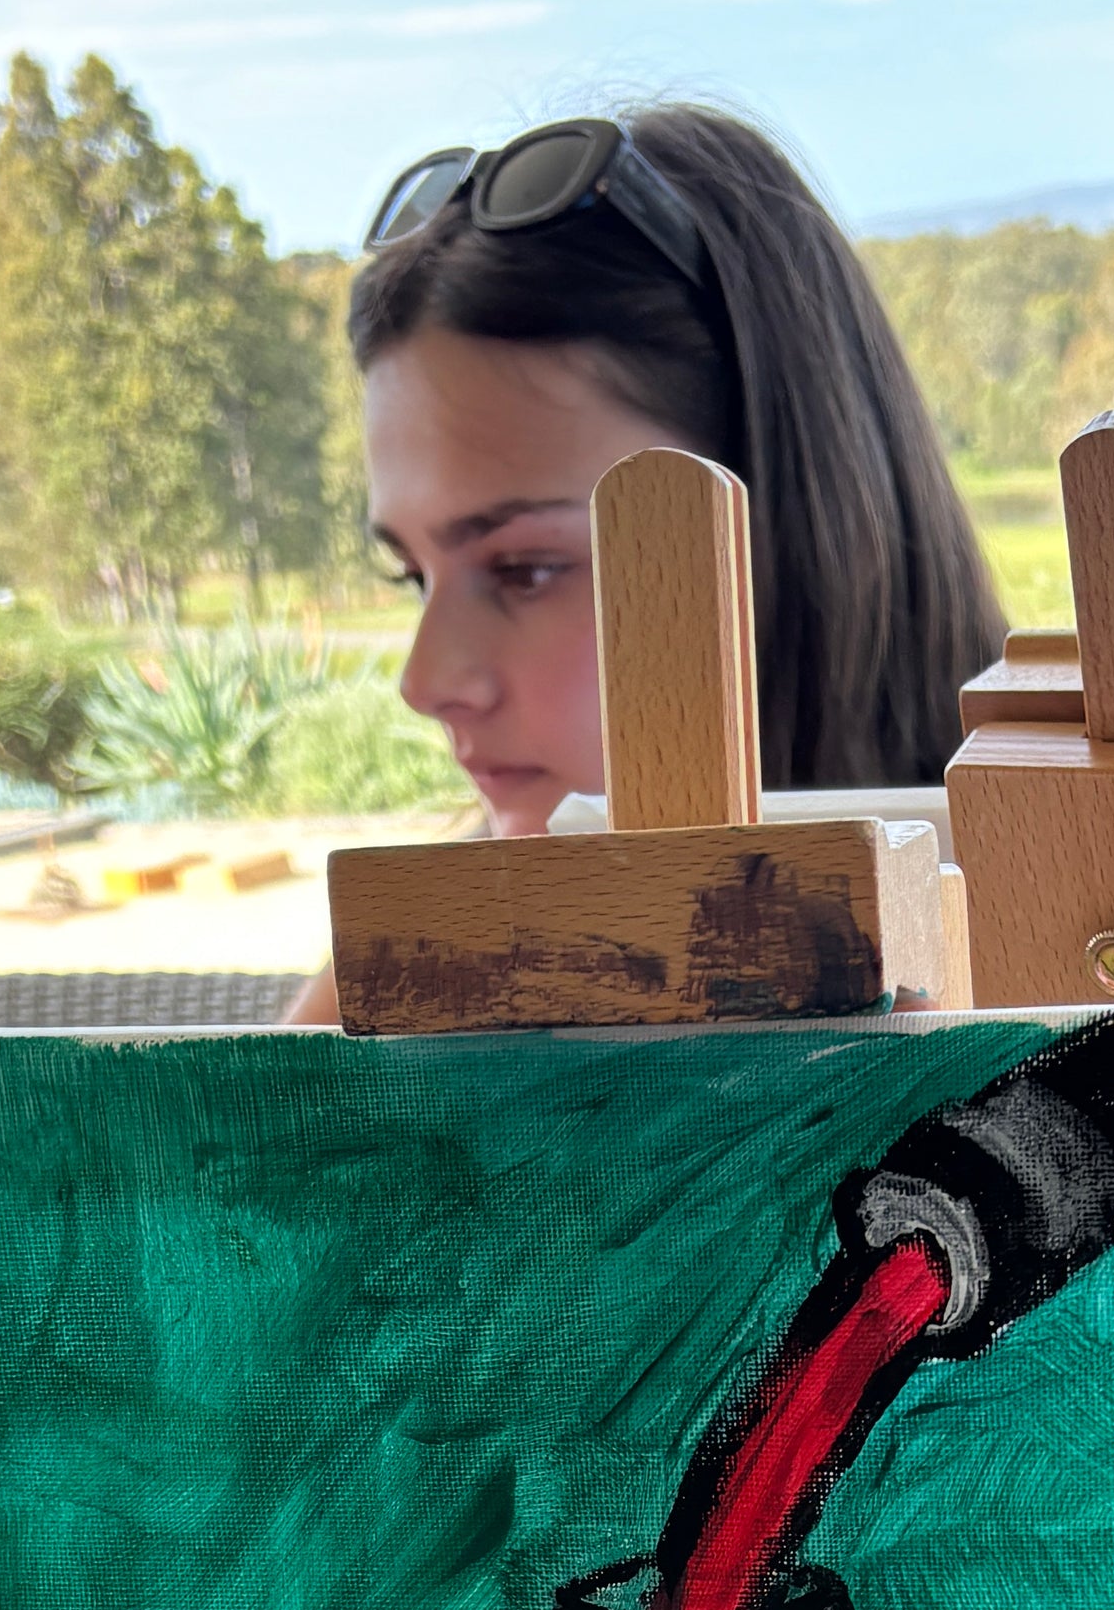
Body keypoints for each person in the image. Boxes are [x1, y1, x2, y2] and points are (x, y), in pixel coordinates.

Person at [288, 108, 1003, 1017]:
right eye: (413, 577)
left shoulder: (1095, 973)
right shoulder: (389, 1007)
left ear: (796, 540)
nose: (426, 684)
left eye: (524, 568)